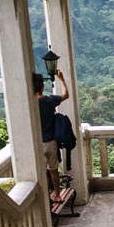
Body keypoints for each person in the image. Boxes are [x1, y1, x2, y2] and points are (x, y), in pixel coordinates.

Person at [34, 69, 69, 202]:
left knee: (42, 172)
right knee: (54, 170)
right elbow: (66, 95)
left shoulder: (31, 104)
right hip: (51, 142)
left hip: (38, 144)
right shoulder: (49, 100)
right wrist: (62, 79)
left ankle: (45, 197)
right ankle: (58, 195)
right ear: (42, 87)